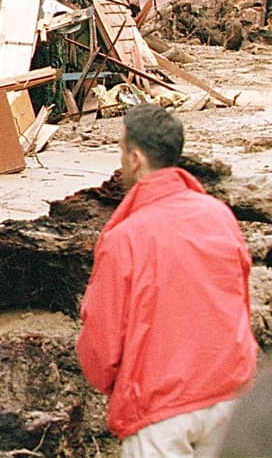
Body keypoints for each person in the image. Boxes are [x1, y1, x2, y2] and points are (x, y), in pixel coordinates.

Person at [77, 104, 257, 457]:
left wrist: (120, 389)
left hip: (159, 409)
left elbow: (102, 345)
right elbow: (241, 304)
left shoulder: (123, 238)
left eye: (122, 150)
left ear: (136, 158)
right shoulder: (219, 215)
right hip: (229, 395)